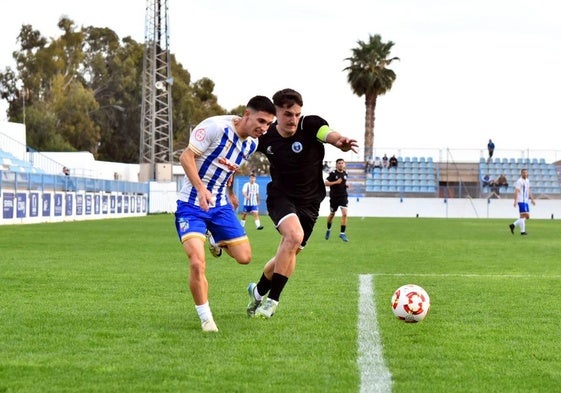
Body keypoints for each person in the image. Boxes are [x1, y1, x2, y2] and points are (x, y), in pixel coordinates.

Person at [245, 88, 358, 319]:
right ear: (276, 113)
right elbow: (239, 145)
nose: (293, 120)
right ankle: (271, 303)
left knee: (287, 255)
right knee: (293, 237)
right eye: (287, 114)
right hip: (280, 197)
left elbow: (329, 134)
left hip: (311, 202)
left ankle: (257, 292)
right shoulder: (265, 137)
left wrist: (341, 141)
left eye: (296, 114)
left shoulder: (310, 125)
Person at [174, 95, 276, 332]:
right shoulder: (214, 127)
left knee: (244, 257)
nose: (264, 128)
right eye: (261, 121)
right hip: (191, 205)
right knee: (197, 263)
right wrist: (200, 189)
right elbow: (185, 156)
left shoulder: (251, 144)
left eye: (268, 124)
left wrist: (230, 191)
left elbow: (229, 167)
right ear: (247, 114)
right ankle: (206, 319)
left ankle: (214, 239)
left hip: (220, 206)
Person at [325, 158, 350, 242]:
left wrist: (346, 185)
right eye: (339, 163)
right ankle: (328, 229)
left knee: (345, 214)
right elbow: (326, 183)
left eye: (342, 163)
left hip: (343, 197)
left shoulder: (346, 173)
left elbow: (344, 183)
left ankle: (342, 233)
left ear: (344, 164)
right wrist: (336, 182)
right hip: (334, 198)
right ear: (336, 165)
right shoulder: (333, 173)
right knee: (332, 214)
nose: (341, 164)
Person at [509, 168, 535, 236]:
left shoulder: (527, 181)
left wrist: (532, 199)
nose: (525, 174)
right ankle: (522, 232)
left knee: (526, 217)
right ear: (521, 173)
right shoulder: (519, 181)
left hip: (526, 201)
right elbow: (516, 191)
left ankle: (513, 225)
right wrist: (515, 201)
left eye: (526, 172)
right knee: (524, 215)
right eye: (523, 172)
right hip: (521, 201)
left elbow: (528, 190)